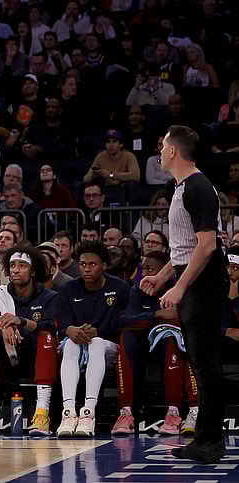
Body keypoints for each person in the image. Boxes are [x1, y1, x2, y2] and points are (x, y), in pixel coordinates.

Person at [141, 125, 229, 463]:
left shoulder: (199, 187)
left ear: (174, 150)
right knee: (200, 361)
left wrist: (180, 286)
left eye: (162, 146)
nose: (159, 151)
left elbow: (207, 245)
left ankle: (211, 441)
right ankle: (206, 438)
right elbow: (184, 248)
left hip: (204, 285)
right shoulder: (180, 187)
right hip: (194, 282)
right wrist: (163, 276)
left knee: (205, 363)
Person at [111, 250, 198, 436]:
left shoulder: (178, 288)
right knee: (125, 338)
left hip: (171, 345)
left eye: (151, 270)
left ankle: (174, 413)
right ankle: (125, 412)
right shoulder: (137, 289)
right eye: (143, 270)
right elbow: (125, 321)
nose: (145, 275)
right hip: (143, 343)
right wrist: (157, 315)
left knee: (173, 337)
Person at [0, 245, 58, 437]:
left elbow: (50, 325)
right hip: (4, 355)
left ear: (33, 271)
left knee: (45, 337)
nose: (15, 270)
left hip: (36, 355)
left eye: (22, 266)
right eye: (13, 265)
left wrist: (19, 321)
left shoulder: (49, 296)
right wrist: (3, 325)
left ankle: (42, 413)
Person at [56, 241, 130, 438]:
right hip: (76, 345)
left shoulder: (120, 287)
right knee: (71, 343)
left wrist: (99, 331)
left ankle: (88, 412)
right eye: (82, 264)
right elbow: (62, 325)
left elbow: (121, 324)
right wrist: (70, 329)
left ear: (104, 266)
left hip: (107, 346)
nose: (86, 269)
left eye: (92, 264)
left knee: (96, 343)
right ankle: (68, 412)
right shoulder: (68, 289)